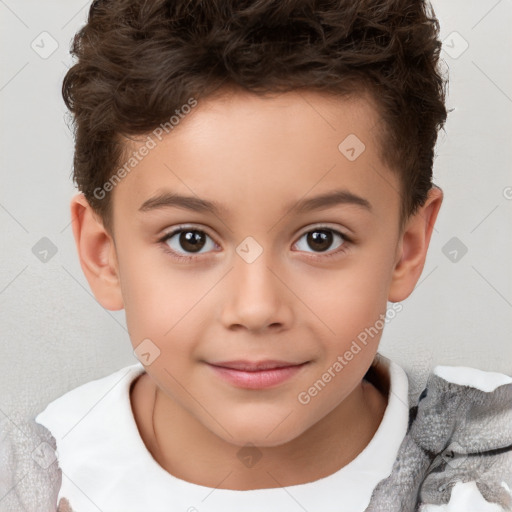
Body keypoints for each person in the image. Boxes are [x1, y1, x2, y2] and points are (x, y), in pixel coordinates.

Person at [1, 0, 511, 511]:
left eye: (320, 239)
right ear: (103, 254)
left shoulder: (494, 464)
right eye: (190, 240)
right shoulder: (30, 482)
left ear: (408, 247)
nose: (256, 308)